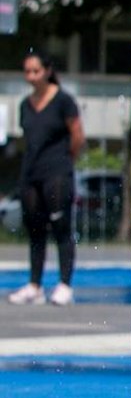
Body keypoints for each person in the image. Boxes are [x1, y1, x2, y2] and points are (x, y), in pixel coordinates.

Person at [9, 52, 85, 306]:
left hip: (57, 172)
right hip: (31, 173)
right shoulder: (25, 104)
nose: (31, 76)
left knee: (61, 227)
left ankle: (64, 285)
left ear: (47, 71)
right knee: (35, 229)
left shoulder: (63, 101)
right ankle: (35, 285)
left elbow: (77, 135)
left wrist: (66, 161)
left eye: (35, 71)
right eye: (27, 71)